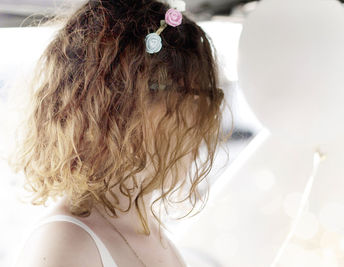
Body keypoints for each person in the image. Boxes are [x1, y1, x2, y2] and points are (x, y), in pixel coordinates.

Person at [8, 0, 231, 266]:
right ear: (122, 107)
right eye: (193, 99)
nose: (200, 121)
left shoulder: (145, 226)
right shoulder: (65, 245)